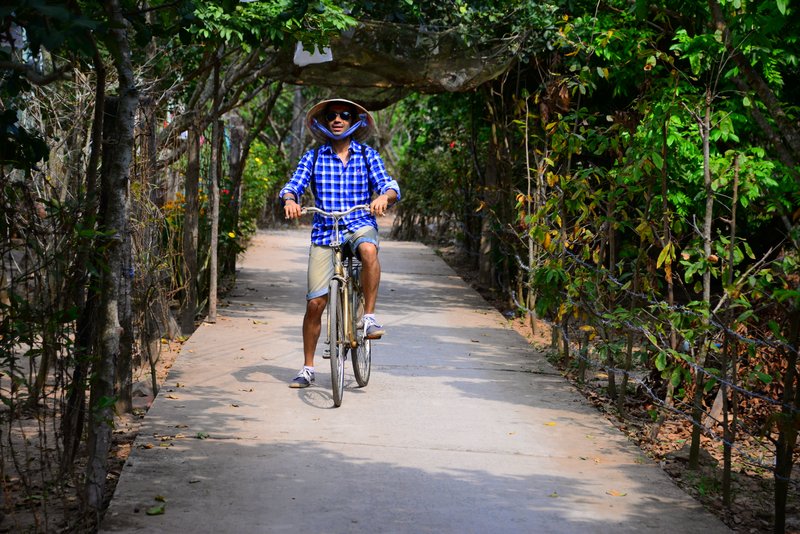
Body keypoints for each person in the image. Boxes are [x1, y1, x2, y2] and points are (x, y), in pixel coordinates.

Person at [279, 98, 401, 388]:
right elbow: (293, 185)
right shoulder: (314, 156)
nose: (337, 119)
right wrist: (290, 200)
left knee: (368, 250)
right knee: (315, 303)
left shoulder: (367, 155)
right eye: (331, 115)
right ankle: (308, 368)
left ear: (353, 121)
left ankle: (368, 317)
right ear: (323, 122)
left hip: (359, 223)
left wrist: (384, 196)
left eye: (344, 115)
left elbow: (389, 184)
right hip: (324, 230)